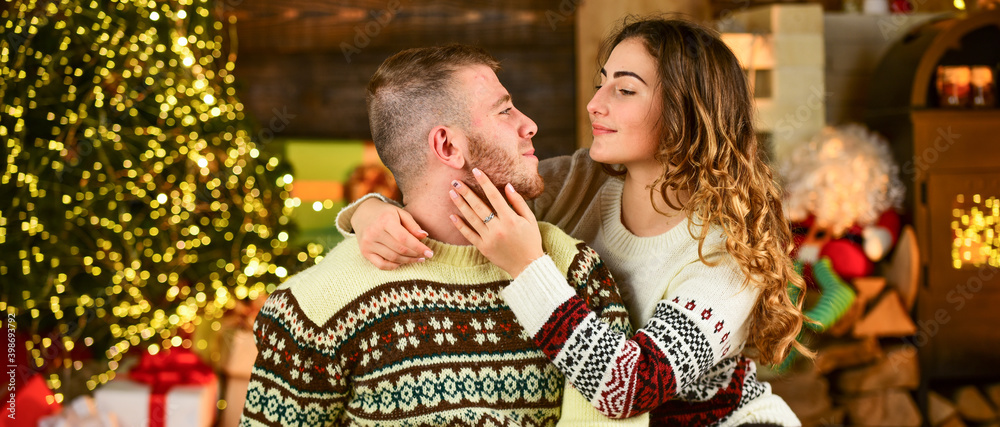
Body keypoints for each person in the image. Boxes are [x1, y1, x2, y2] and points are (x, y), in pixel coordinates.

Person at [341, 18, 810, 426]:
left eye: (624, 90)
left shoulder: (726, 253)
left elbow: (630, 388)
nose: (594, 104)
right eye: (600, 83)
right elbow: (449, 199)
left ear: (686, 113)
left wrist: (528, 268)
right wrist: (370, 211)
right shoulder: (579, 180)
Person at [239, 44, 646, 426]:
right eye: (505, 111)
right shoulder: (314, 308)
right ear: (448, 146)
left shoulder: (575, 272)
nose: (529, 124)